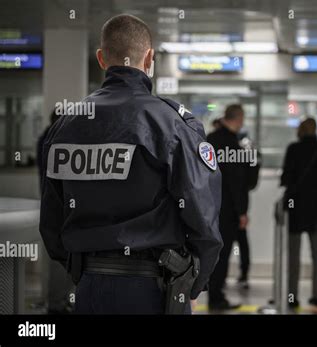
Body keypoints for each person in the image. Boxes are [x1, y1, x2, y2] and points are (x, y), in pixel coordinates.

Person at [39, 14, 223, 314]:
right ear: (149, 58)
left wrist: (84, 272)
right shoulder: (172, 124)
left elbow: (50, 221)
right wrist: (195, 281)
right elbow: (203, 214)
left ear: (101, 58)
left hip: (90, 286)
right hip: (156, 288)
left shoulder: (66, 126)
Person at [281, 117, 317, 309]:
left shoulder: (293, 149)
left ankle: (292, 296)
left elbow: (286, 178)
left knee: (294, 256)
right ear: (316, 130)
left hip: (296, 207)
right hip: (316, 209)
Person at [207, 104, 247, 310]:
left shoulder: (210, 139)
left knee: (211, 252)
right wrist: (242, 211)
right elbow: (237, 183)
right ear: (238, 119)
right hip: (227, 210)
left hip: (207, 208)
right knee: (223, 255)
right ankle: (216, 296)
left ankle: (209, 291)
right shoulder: (232, 144)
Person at [37, 110, 74, 314]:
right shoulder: (54, 140)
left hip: (56, 210)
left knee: (58, 263)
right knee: (58, 264)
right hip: (59, 211)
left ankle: (59, 302)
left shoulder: (48, 139)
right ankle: (56, 304)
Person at [236, 131, 261, 289]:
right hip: (240, 203)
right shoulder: (247, 147)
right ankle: (244, 274)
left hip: (228, 204)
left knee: (225, 243)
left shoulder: (235, 147)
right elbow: (251, 181)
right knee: (242, 241)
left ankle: (216, 278)